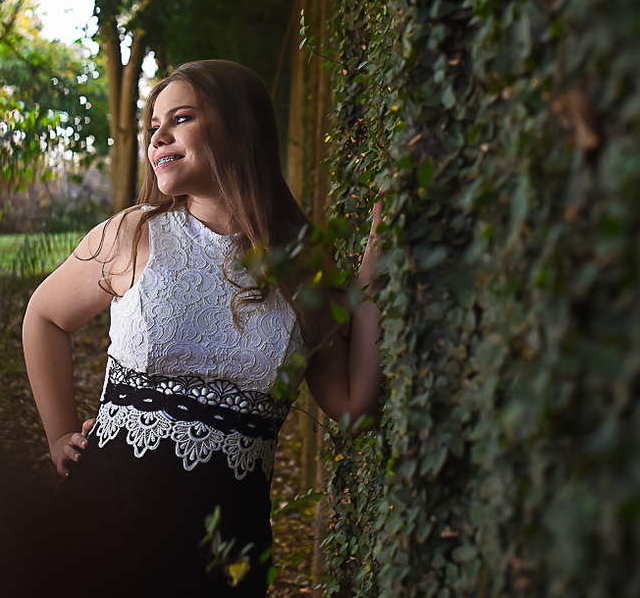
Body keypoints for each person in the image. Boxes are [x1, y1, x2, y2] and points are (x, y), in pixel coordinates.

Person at [22, 59, 382, 596]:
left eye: (181, 118)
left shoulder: (305, 266)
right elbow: (44, 316)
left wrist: (374, 281)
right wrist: (58, 434)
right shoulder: (133, 234)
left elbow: (353, 407)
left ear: (239, 127)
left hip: (226, 556)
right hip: (104, 527)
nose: (158, 137)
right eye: (153, 126)